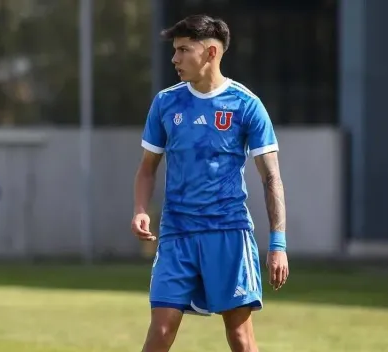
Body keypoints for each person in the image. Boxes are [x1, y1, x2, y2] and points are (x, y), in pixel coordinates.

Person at [131, 14, 289, 352]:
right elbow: (148, 168)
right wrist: (140, 209)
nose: (175, 59)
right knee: (161, 330)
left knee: (240, 337)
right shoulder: (165, 103)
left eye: (184, 50)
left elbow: (271, 177)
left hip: (227, 232)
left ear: (211, 53)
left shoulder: (247, 105)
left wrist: (278, 244)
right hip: (177, 233)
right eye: (174, 50)